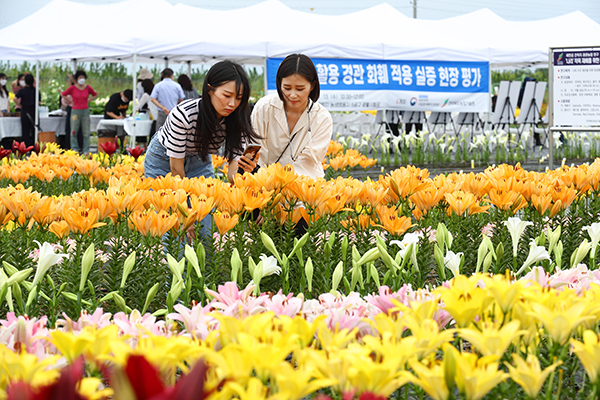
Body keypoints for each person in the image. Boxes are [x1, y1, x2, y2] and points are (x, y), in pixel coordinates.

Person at [144, 60, 260, 240]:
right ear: (209, 90)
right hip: (164, 161)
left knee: (206, 228)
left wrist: (248, 195)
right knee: (174, 229)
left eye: (238, 98)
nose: (232, 103)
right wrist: (184, 212)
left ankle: (203, 269)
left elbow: (232, 172)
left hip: (199, 159)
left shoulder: (237, 119)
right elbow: (176, 170)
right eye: (227, 95)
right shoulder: (183, 114)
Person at [237, 53, 332, 179]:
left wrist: (279, 180)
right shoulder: (264, 107)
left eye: (300, 89)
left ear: (312, 86)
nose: (292, 95)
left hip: (304, 187)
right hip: (264, 185)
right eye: (287, 88)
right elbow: (257, 153)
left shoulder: (322, 118)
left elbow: (308, 163)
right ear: (279, 83)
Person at [61, 70, 97, 153]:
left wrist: (89, 100)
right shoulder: (73, 88)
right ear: (77, 79)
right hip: (75, 111)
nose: (82, 79)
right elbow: (63, 94)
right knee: (74, 131)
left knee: (86, 132)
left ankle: (86, 150)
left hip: (85, 111)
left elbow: (95, 94)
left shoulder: (87, 88)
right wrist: (70, 100)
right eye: (80, 77)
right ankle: (75, 148)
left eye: (83, 77)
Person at [14, 74, 40, 147]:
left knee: (25, 130)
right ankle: (34, 146)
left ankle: (25, 147)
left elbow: (14, 98)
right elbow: (39, 102)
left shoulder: (22, 90)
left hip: (25, 111)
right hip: (34, 111)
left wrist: (20, 105)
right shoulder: (36, 90)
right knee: (34, 129)